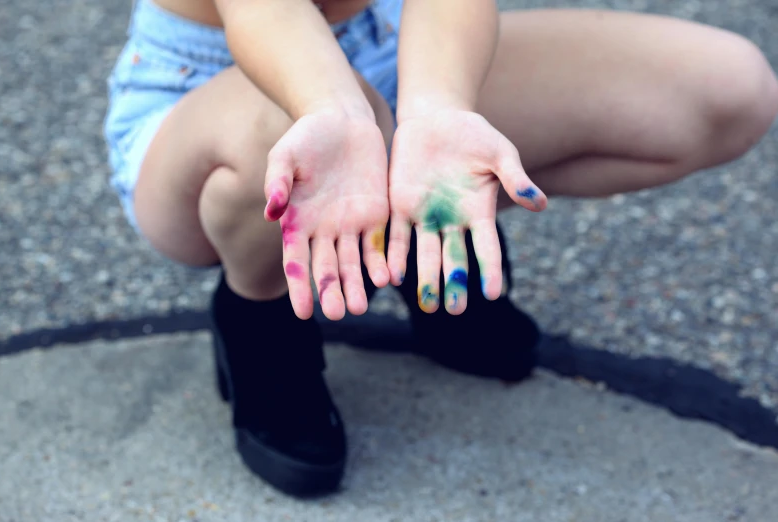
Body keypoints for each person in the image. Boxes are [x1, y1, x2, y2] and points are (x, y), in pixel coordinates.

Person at [103, 0, 778, 497]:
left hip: (395, 47)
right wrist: (341, 114)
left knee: (725, 90)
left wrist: (438, 111)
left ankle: (422, 239)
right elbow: (266, 15)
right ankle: (261, 310)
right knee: (298, 136)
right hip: (210, 99)